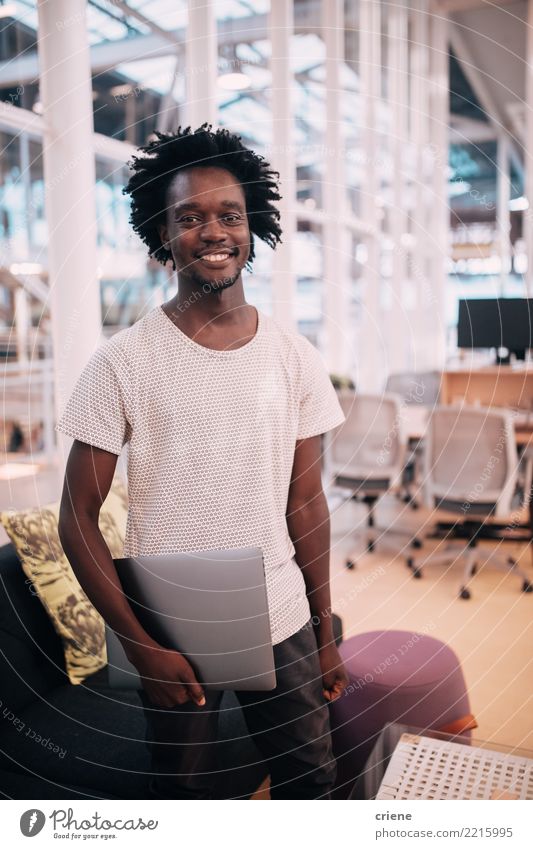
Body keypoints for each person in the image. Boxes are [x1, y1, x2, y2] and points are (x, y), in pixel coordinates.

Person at [57, 124, 348, 800]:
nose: (212, 230)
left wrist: (324, 628)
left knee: (313, 782)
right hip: (171, 628)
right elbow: (78, 520)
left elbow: (305, 505)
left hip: (281, 618)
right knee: (184, 801)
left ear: (254, 228)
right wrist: (138, 645)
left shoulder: (294, 356)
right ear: (162, 233)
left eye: (229, 215)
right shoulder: (121, 362)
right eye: (190, 217)